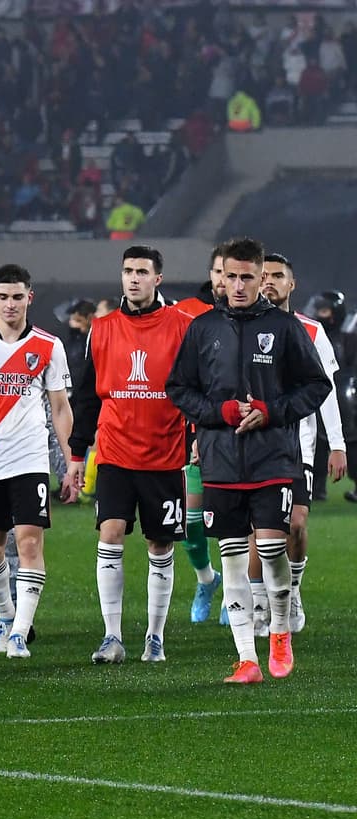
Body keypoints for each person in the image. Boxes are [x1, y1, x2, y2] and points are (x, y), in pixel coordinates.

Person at [166, 237, 330, 684]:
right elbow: (179, 388)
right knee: (234, 558)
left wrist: (272, 411)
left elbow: (316, 386)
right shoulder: (203, 329)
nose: (237, 285)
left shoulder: (284, 327)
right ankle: (246, 658)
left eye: (246, 277)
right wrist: (217, 413)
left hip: (273, 458)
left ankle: (279, 632)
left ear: (262, 278)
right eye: (230, 276)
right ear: (220, 276)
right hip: (220, 462)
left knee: (273, 549)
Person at [67, 245, 191, 665]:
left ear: (158, 278)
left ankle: (154, 637)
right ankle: (112, 636)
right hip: (116, 453)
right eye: (127, 271)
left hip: (165, 455)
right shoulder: (101, 329)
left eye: (142, 271)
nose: (133, 278)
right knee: (111, 533)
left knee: (160, 545)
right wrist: (77, 454)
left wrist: (197, 435)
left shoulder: (181, 326)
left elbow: (196, 390)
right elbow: (85, 398)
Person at [0, 264, 75, 659]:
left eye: (18, 297)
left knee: (29, 542)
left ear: (29, 298)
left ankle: (19, 632)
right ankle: (7, 616)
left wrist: (68, 460)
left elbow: (61, 407)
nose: (11, 304)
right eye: (3, 296)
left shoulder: (49, 345)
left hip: (29, 459)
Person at [250, 253, 346, 635]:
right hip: (253, 446)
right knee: (259, 531)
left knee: (296, 525)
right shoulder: (240, 329)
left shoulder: (311, 331)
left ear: (292, 285)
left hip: (299, 447)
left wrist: (336, 444)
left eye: (278, 276)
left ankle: (292, 593)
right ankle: (260, 609)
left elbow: (328, 391)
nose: (269, 281)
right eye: (265, 275)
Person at [171, 243, 227, 623]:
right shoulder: (183, 314)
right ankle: (206, 579)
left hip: (238, 433)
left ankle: (235, 597)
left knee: (233, 519)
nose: (228, 281)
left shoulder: (256, 318)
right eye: (221, 272)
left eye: (237, 274)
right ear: (211, 274)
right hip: (192, 430)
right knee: (191, 522)